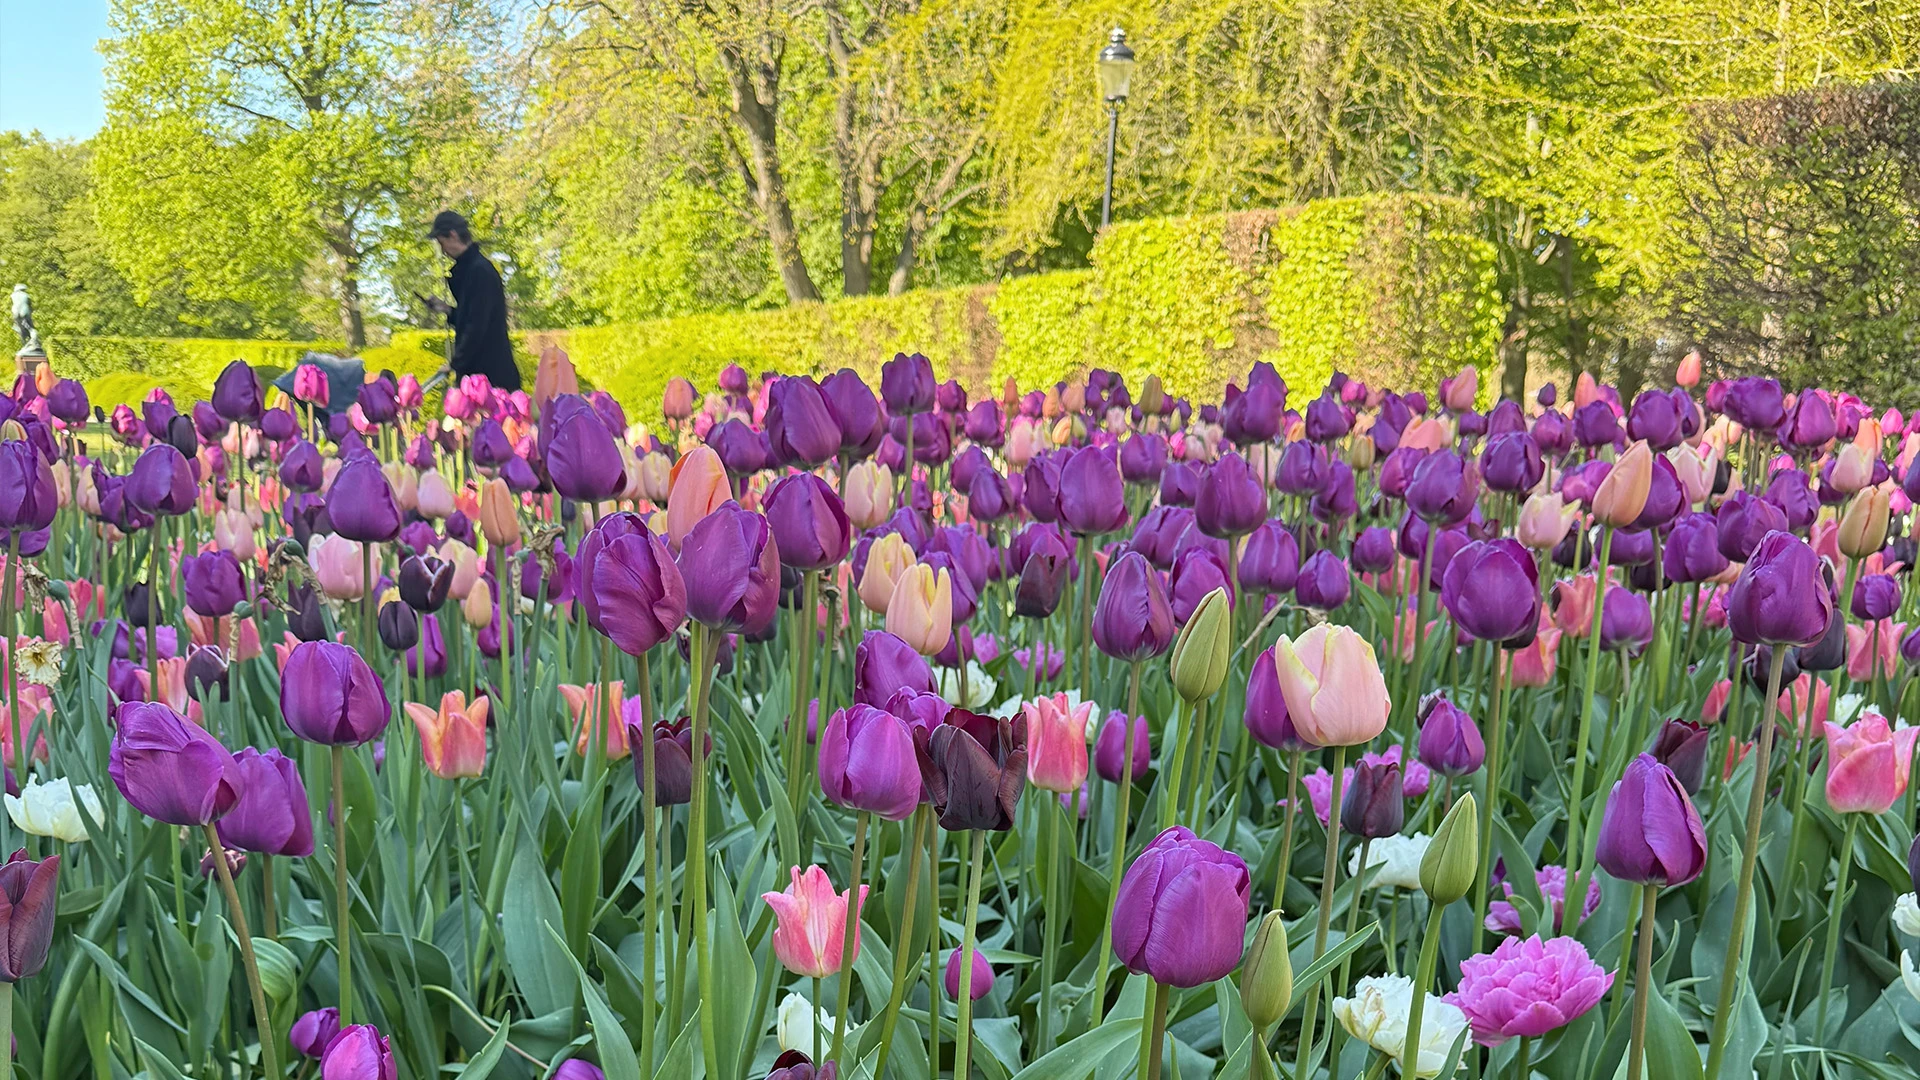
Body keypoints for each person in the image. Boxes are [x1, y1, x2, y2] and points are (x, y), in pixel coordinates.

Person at [425, 210, 521, 391]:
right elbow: (472, 316)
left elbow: (477, 325)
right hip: (484, 375)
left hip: (489, 378)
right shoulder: (473, 269)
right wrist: (447, 310)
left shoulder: (479, 271)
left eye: (441, 243)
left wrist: (455, 364)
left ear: (453, 235)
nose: (443, 251)